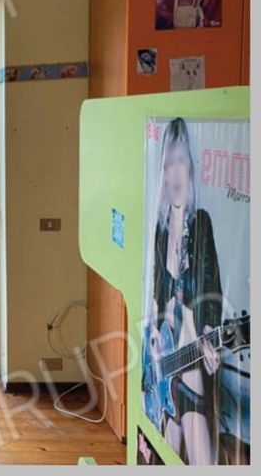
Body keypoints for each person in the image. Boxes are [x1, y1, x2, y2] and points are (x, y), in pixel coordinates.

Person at [147, 118, 222, 464]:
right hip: (163, 373)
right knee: (164, 459)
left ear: (190, 167)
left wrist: (209, 335)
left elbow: (211, 289)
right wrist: (152, 332)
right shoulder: (160, 232)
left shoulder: (201, 223)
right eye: (168, 164)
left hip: (189, 370)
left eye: (181, 161)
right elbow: (155, 295)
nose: (175, 172)